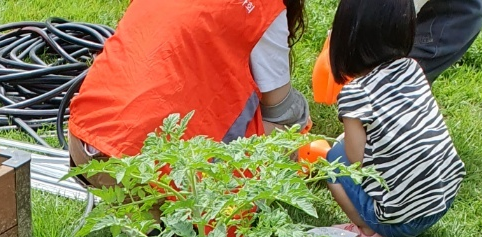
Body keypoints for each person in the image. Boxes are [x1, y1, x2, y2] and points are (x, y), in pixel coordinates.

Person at [67, 0, 310, 171]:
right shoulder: (262, 7)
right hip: (147, 173)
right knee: (289, 125)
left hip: (85, 143)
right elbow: (280, 107)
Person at [324, 0, 464, 237]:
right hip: (443, 198)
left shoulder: (355, 93)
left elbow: (356, 162)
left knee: (334, 160)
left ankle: (368, 232)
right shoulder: (412, 68)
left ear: (346, 37)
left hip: (401, 221)